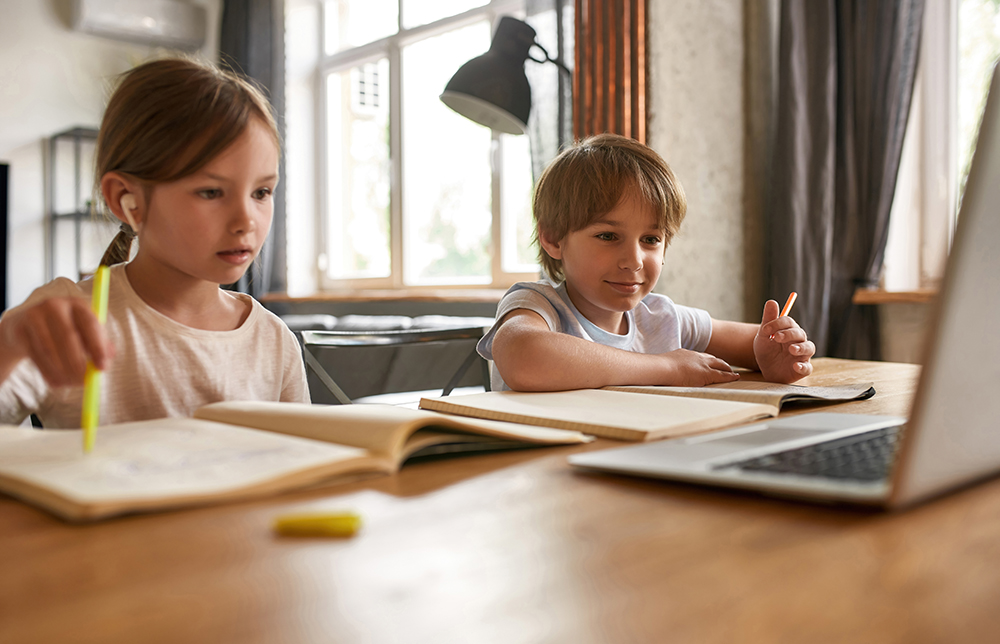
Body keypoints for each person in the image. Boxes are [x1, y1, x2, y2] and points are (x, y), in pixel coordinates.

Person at [0, 57, 309, 428]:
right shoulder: (69, 321)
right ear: (128, 200)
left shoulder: (274, 341)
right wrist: (9, 344)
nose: (246, 221)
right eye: (211, 192)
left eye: (262, 191)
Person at [478, 133, 816, 392]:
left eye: (651, 239)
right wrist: (668, 369)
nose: (634, 261)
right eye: (608, 236)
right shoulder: (539, 305)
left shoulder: (662, 318)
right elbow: (522, 355)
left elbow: (758, 343)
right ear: (553, 239)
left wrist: (774, 355)